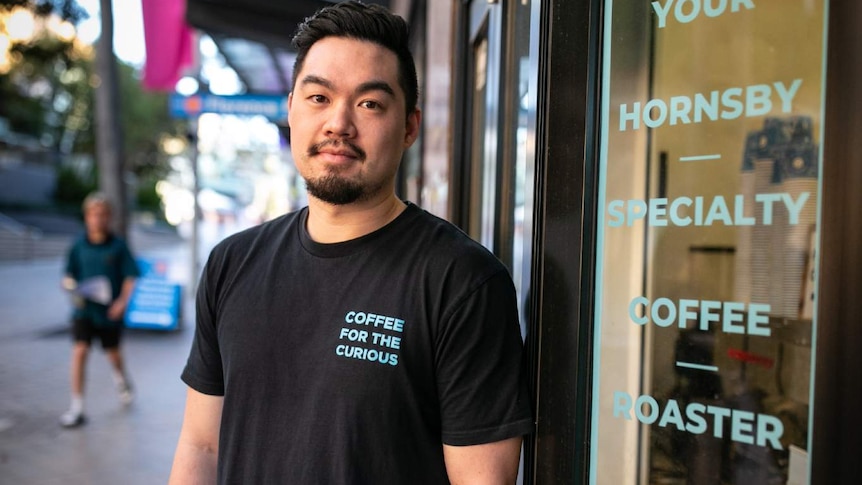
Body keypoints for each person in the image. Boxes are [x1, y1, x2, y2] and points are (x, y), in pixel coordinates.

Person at [168, 2, 533, 483]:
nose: (339, 123)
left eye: (370, 104)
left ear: (409, 128)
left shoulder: (462, 281)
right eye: (318, 97)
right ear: (291, 109)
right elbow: (201, 446)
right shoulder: (232, 264)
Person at [59, 192, 139, 427]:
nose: (98, 219)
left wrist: (122, 302)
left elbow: (130, 276)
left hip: (109, 313)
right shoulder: (78, 245)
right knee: (80, 352)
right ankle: (77, 407)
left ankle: (121, 379)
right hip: (84, 311)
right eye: (94, 214)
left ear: (109, 217)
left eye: (103, 215)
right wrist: (69, 286)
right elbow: (68, 275)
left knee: (113, 354)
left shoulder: (118, 246)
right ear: (86, 217)